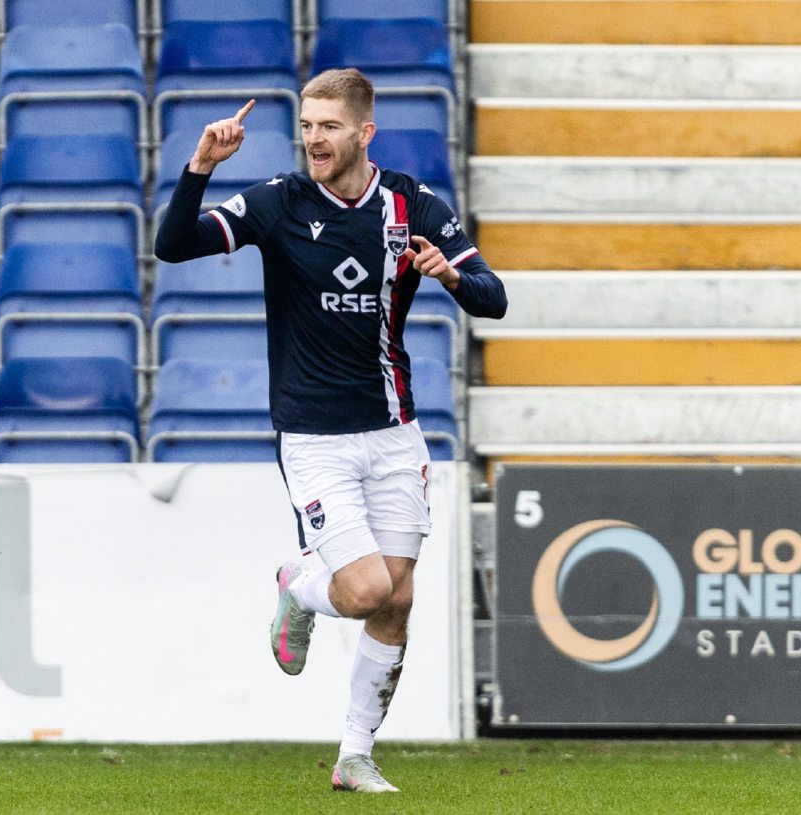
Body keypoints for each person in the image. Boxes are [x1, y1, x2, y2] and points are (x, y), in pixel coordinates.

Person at [154, 68, 506, 793]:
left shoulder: (411, 204)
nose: (314, 139)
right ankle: (300, 586)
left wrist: (449, 275)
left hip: (394, 430)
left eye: (329, 127)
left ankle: (354, 756)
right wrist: (200, 166)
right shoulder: (278, 201)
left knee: (397, 599)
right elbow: (173, 244)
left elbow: (493, 297)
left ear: (364, 132)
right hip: (315, 436)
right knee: (366, 588)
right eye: (307, 126)